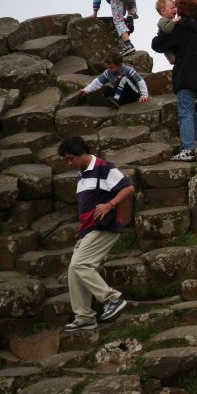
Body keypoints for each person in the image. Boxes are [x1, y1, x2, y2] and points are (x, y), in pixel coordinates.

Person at [58, 136, 133, 332]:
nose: (69, 163)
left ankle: (112, 299)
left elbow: (128, 187)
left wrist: (110, 205)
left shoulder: (103, 167)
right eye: (66, 160)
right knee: (74, 270)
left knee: (80, 264)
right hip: (89, 230)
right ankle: (84, 317)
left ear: (82, 153)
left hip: (104, 227)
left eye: (70, 158)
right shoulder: (82, 174)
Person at [150, 0, 197, 162]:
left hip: (186, 75)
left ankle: (187, 149)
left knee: (184, 112)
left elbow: (157, 45)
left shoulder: (181, 27)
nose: (175, 9)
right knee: (188, 107)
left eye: (178, 6)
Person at [77, 53, 150, 108]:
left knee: (122, 79)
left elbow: (140, 81)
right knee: (106, 90)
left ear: (120, 65)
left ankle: (116, 100)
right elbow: (97, 82)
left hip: (133, 94)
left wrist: (144, 95)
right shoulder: (108, 72)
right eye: (107, 67)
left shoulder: (128, 70)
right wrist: (86, 90)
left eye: (111, 67)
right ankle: (116, 102)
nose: (109, 69)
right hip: (123, 95)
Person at [154, 0, 181, 65]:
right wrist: (174, 21)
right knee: (169, 51)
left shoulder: (171, 20)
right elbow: (167, 29)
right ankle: (171, 58)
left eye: (175, 8)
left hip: (173, 45)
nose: (175, 9)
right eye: (172, 8)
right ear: (163, 11)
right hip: (168, 49)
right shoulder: (162, 20)